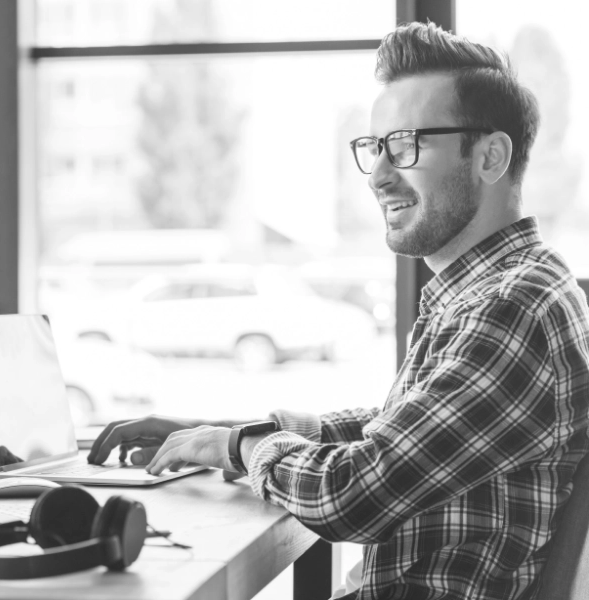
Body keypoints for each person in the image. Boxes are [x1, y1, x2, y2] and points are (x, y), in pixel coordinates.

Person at [88, 21, 589, 600]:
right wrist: (226, 433)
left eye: (406, 144)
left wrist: (238, 449)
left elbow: (353, 493)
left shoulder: (512, 309)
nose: (378, 175)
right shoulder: (494, 291)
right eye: (375, 147)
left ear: (491, 156)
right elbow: (396, 430)